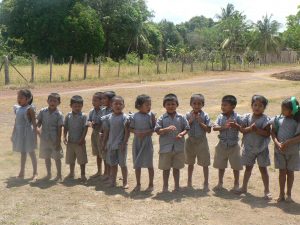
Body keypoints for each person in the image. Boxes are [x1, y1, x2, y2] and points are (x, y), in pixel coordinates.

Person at [236, 95, 272, 199]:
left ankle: (267, 190)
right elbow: (242, 130)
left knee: (263, 169)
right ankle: (244, 187)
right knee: (248, 168)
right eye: (255, 105)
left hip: (262, 149)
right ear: (251, 106)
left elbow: (267, 133)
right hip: (249, 148)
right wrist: (250, 128)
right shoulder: (247, 117)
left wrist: (257, 130)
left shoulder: (265, 119)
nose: (257, 107)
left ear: (264, 108)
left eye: (260, 106)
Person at [154, 93, 190, 192]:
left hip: (178, 147)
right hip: (166, 148)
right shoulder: (162, 118)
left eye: (173, 104)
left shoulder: (181, 117)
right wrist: (166, 129)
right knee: (166, 169)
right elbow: (157, 131)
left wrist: (181, 134)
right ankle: (165, 186)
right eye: (168, 104)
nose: (170, 106)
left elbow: (187, 128)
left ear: (177, 105)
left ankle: (176, 186)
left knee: (176, 168)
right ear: (164, 106)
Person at [270, 97, 300, 203]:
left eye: (284, 109)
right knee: (282, 172)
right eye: (282, 108)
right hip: (280, 151)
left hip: (293, 152)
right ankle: (281, 194)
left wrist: (287, 142)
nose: (282, 111)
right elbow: (272, 132)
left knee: (290, 172)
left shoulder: (298, 121)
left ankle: (289, 195)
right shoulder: (278, 119)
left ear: (293, 110)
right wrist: (277, 143)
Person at [213, 95, 243, 191]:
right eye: (222, 105)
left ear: (233, 106)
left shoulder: (237, 117)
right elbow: (214, 127)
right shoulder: (220, 116)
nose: (223, 107)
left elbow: (242, 128)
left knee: (236, 166)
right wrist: (223, 127)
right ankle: (220, 183)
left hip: (234, 145)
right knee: (221, 166)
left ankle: (236, 184)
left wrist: (236, 125)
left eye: (225, 105)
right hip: (221, 145)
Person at [101, 96, 130, 188]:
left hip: (121, 145)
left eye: (120, 104)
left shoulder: (125, 118)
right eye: (115, 104)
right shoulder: (108, 118)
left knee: (122, 164)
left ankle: (125, 182)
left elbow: (127, 132)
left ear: (123, 105)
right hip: (111, 145)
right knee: (113, 164)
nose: (118, 106)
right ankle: (113, 181)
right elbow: (106, 132)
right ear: (111, 105)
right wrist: (104, 143)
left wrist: (124, 143)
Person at [185, 94, 212, 191]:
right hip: (190, 141)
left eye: (199, 104)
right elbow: (184, 128)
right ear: (191, 104)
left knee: (205, 163)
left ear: (203, 104)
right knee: (190, 163)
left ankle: (206, 182)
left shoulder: (205, 115)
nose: (197, 106)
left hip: (202, 141)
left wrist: (201, 122)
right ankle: (189, 181)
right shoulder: (188, 115)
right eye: (194, 103)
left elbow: (209, 130)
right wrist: (190, 121)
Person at [130, 94, 156, 192]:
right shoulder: (134, 116)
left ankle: (151, 184)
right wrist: (136, 132)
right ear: (139, 106)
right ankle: (138, 184)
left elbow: (155, 128)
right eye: (147, 105)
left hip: (147, 142)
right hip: (137, 142)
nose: (149, 107)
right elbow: (131, 128)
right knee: (137, 164)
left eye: (150, 105)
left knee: (149, 164)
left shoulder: (151, 115)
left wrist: (146, 133)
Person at [11, 89, 38, 181]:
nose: (19, 99)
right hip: (20, 133)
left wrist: (35, 137)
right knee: (23, 153)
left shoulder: (30, 109)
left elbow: (34, 124)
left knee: (31, 152)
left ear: (28, 99)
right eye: (18, 97)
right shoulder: (17, 108)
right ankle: (22, 172)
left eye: (21, 97)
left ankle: (35, 172)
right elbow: (16, 122)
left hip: (28, 134)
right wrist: (13, 133)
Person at [37, 93, 64, 182]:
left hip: (54, 139)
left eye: (55, 101)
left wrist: (58, 141)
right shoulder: (42, 111)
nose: (52, 102)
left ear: (58, 103)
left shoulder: (59, 114)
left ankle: (59, 175)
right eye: (50, 100)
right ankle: (49, 174)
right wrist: (37, 128)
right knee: (46, 157)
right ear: (47, 101)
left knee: (57, 158)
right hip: (44, 138)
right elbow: (39, 122)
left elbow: (60, 128)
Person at [63, 95, 89, 182]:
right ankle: (71, 172)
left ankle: (83, 174)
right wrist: (64, 137)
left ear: (82, 106)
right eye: (75, 106)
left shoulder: (84, 116)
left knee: (82, 160)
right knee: (71, 158)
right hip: (70, 142)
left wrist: (82, 139)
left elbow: (85, 128)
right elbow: (65, 127)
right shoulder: (68, 116)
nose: (77, 108)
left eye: (79, 106)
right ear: (71, 106)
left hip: (79, 142)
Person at [97, 91, 116, 181]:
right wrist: (100, 132)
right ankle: (106, 172)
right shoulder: (103, 110)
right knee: (104, 154)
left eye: (105, 98)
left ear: (111, 100)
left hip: (111, 136)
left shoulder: (114, 110)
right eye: (102, 98)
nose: (102, 100)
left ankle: (111, 174)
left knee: (110, 156)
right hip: (103, 136)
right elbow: (102, 123)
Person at [88, 92, 104, 179]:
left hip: (102, 134)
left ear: (101, 102)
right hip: (94, 134)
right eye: (92, 100)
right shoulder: (92, 111)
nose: (93, 102)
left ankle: (106, 172)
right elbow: (88, 121)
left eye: (95, 100)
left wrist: (99, 124)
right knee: (98, 153)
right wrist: (91, 123)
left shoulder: (104, 111)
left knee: (103, 153)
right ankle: (99, 171)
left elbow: (106, 122)